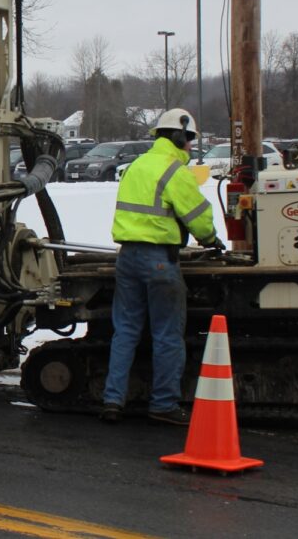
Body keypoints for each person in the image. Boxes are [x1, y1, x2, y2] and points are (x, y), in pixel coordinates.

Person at [101, 108, 223, 425]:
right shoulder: (174, 172)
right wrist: (211, 239)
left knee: (125, 332)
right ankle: (163, 404)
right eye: (190, 141)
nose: (192, 147)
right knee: (167, 335)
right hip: (159, 261)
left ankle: (113, 401)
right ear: (181, 137)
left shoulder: (136, 167)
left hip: (127, 257)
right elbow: (198, 218)